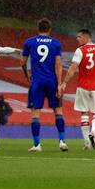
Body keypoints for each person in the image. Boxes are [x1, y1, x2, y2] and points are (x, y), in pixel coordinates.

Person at [58, 29, 95, 150]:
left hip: (83, 86)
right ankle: (93, 132)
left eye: (79, 37)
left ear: (87, 37)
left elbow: (73, 68)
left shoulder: (80, 50)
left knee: (84, 113)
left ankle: (87, 142)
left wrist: (64, 82)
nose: (77, 39)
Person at [21, 18, 67, 152]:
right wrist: (59, 84)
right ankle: (62, 142)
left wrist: (27, 75)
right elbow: (58, 65)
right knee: (58, 111)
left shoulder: (29, 42)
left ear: (38, 28)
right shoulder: (56, 43)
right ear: (50, 29)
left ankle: (37, 145)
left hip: (37, 81)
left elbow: (22, 62)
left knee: (35, 112)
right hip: (52, 80)